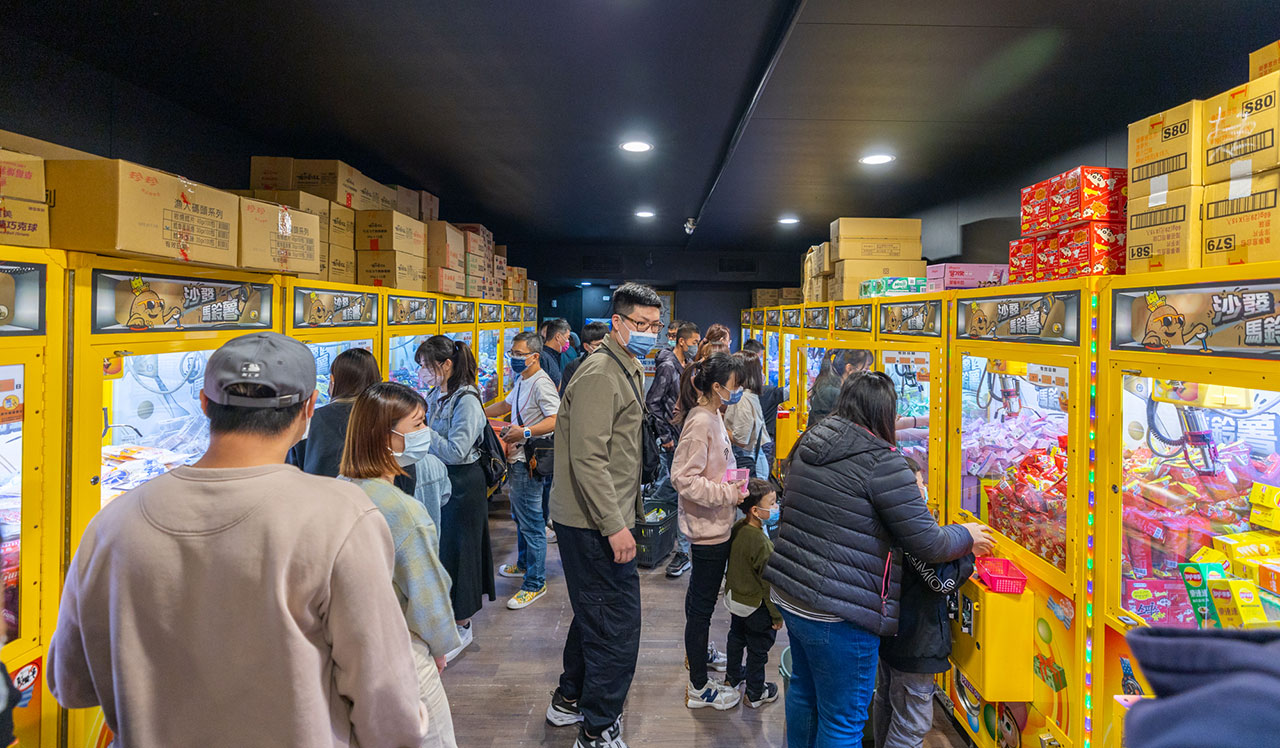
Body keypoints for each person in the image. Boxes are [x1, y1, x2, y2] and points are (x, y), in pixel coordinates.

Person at [48, 332, 426, 747]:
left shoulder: (113, 523)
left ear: (204, 402)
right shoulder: (342, 515)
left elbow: (71, 684)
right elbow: (387, 703)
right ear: (309, 407)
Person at [764, 372, 994, 745]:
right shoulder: (884, 463)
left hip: (791, 591)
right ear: (884, 413)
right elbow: (929, 542)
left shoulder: (812, 439)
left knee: (805, 692)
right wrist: (967, 535)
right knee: (843, 719)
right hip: (840, 610)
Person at [546, 282, 664, 748]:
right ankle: (597, 729)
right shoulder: (600, 373)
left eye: (656, 325)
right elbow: (588, 458)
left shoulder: (625, 366)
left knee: (593, 612)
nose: (650, 332)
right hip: (593, 522)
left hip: (604, 514)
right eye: (641, 323)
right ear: (617, 322)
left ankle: (569, 699)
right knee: (616, 625)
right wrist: (615, 526)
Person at [340, 381, 463, 748]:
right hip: (403, 652)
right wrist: (439, 649)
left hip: (350, 651)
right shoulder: (404, 512)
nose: (427, 432)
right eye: (419, 424)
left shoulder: (339, 488)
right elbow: (427, 596)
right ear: (385, 436)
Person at [872, 459, 975, 748]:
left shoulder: (886, 519)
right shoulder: (911, 531)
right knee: (912, 723)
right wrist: (969, 553)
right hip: (914, 642)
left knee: (888, 701)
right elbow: (939, 581)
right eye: (919, 484)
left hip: (891, 635)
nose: (924, 489)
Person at [671, 352, 749, 711]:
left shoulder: (714, 415)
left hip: (716, 522)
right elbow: (683, 478)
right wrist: (727, 494)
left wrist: (733, 485)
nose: (739, 391)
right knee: (702, 607)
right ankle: (699, 686)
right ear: (717, 387)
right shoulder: (701, 421)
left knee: (699, 600)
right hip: (707, 529)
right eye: (735, 385)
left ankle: (698, 655)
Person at [416, 335, 495, 661]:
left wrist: (422, 431)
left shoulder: (467, 401)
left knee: (462, 553)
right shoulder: (436, 394)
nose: (422, 373)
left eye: (426, 366)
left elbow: (456, 450)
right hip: (442, 481)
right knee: (445, 551)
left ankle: (463, 624)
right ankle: (447, 620)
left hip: (463, 485)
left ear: (446, 365)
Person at [484, 331, 560, 610]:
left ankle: (535, 583)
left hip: (529, 462)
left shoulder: (541, 383)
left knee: (531, 522)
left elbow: (557, 418)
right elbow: (506, 404)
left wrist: (525, 431)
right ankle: (524, 563)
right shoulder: (522, 379)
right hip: (518, 459)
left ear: (534, 356)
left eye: (519, 354)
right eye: (512, 353)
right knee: (522, 516)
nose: (514, 358)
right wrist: (479, 411)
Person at [288, 348, 419, 493]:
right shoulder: (393, 419)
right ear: (378, 380)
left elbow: (291, 475)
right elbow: (407, 479)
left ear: (333, 381)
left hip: (321, 502)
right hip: (383, 503)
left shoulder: (309, 421)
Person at [647, 321, 701, 578]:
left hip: (685, 436)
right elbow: (653, 402)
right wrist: (665, 436)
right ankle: (682, 551)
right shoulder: (668, 367)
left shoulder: (685, 365)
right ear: (682, 341)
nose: (696, 346)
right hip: (674, 440)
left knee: (676, 488)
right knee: (680, 493)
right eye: (694, 342)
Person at [724, 478, 783, 709]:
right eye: (772, 503)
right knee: (758, 650)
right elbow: (768, 585)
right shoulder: (762, 544)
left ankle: (731, 677)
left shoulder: (738, 527)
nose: (776, 507)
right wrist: (776, 616)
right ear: (756, 511)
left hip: (735, 600)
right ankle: (755, 693)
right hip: (756, 607)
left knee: (736, 638)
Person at [725, 351, 772, 479]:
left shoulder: (742, 399)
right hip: (751, 459)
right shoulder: (747, 395)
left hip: (749, 463)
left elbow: (741, 440)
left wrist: (720, 428)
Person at [743, 339, 786, 470]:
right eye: (761, 357)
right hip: (758, 442)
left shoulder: (745, 392)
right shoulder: (756, 394)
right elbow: (740, 437)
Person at [808, 348, 873, 424]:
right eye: (865, 369)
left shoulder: (837, 387)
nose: (868, 373)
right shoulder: (831, 392)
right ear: (849, 369)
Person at [561, 321, 609, 394]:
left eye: (607, 344)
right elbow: (565, 395)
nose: (604, 348)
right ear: (586, 346)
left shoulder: (615, 364)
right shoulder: (574, 367)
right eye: (599, 345)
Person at [539, 318, 571, 385]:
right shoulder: (543, 358)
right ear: (558, 336)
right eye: (567, 337)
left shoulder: (555, 355)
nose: (567, 341)